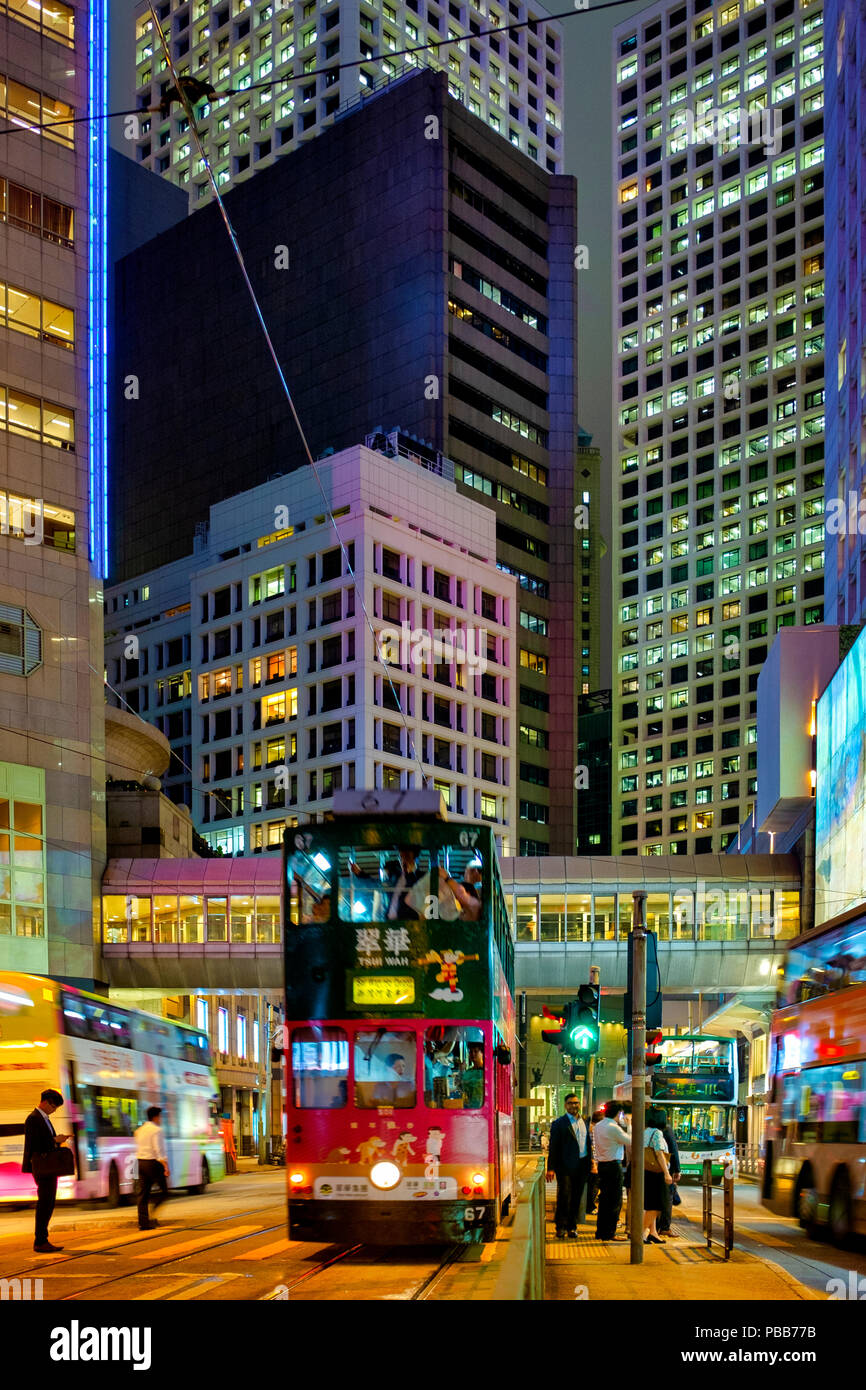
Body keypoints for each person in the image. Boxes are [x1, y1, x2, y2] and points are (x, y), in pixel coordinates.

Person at [22, 1088, 71, 1253]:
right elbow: (34, 1145)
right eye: (53, 1106)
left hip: (48, 1167)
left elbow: (44, 1141)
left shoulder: (44, 1119)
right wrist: (55, 1140)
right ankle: (40, 1240)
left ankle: (42, 1239)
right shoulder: (33, 1119)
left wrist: (55, 1140)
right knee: (45, 1203)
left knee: (48, 1203)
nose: (54, 1109)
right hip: (42, 1167)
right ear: (45, 1102)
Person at [547, 1093, 595, 1238]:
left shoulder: (585, 1120)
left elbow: (587, 1142)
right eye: (570, 1103)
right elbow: (553, 1147)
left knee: (577, 1198)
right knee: (564, 1197)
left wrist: (591, 1160)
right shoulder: (559, 1123)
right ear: (565, 1105)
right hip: (565, 1166)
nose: (574, 1105)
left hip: (583, 1165)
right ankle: (560, 1227)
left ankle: (572, 1227)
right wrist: (550, 1168)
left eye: (576, 1103)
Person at [592, 1100, 631, 1242]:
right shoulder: (613, 1127)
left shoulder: (598, 1126)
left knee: (604, 1200)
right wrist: (630, 1125)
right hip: (614, 1166)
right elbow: (630, 1141)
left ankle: (601, 1231)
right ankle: (609, 1233)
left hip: (602, 1165)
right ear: (618, 1113)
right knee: (614, 1201)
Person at [134, 1106, 170, 1230]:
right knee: (164, 1191)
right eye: (160, 1117)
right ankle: (153, 1208)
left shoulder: (139, 1130)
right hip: (153, 1163)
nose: (161, 1119)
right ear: (156, 1117)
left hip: (140, 1163)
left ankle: (143, 1223)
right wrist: (165, 1165)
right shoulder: (157, 1130)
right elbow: (158, 1150)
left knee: (142, 1194)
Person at [643, 1105, 673, 1244]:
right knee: (657, 1205)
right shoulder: (657, 1133)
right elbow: (659, 1153)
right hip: (657, 1172)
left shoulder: (645, 1131)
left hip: (647, 1171)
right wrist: (667, 1174)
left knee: (650, 1204)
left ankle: (653, 1233)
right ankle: (640, 1233)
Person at [656, 1108, 681, 1236]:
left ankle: (654, 1227)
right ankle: (665, 1227)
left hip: (652, 1168)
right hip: (666, 1168)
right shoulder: (666, 1130)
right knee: (667, 1198)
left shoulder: (649, 1130)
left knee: (655, 1197)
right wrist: (677, 1169)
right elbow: (673, 1150)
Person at [586, 1108, 605, 1215]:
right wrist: (594, 1163)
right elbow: (592, 1147)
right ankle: (590, 1207)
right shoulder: (594, 1130)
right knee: (593, 1186)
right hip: (595, 1163)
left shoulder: (591, 1129)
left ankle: (589, 1206)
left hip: (593, 1162)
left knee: (593, 1185)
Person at [460, 1042, 485, 1108]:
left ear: (482, 1053)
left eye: (476, 1051)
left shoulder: (486, 1072)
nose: (472, 1054)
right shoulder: (468, 1072)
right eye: (471, 1051)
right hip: (469, 1108)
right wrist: (461, 1071)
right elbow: (460, 1087)